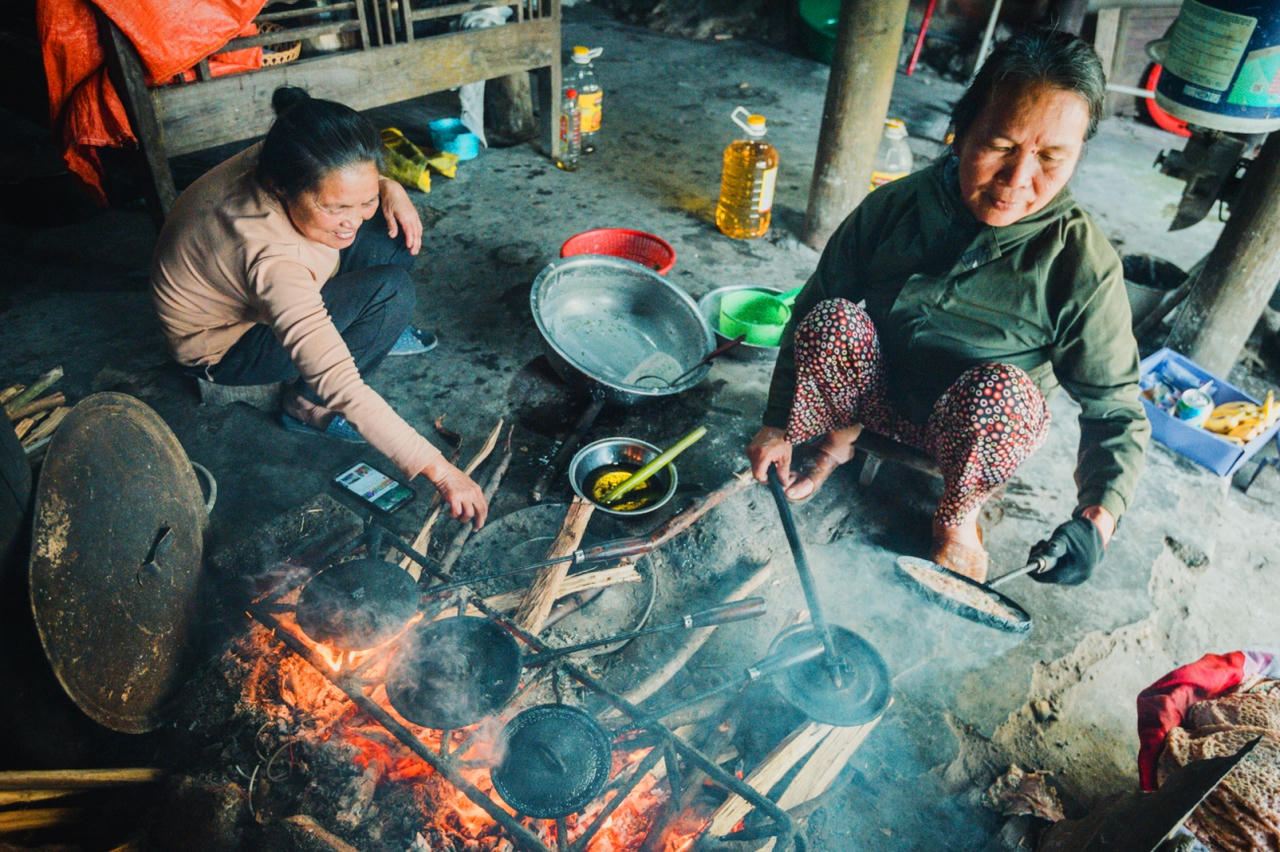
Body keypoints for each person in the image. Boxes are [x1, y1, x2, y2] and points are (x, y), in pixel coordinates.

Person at [746, 30, 1148, 583]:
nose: (1018, 179)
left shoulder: (1083, 265)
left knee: (1002, 397)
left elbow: (1116, 410)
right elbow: (815, 303)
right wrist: (777, 423)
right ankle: (838, 440)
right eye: (1002, 146)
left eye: (1051, 157)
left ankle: (959, 516)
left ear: (1076, 157)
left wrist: (1097, 521)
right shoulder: (897, 205)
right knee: (831, 320)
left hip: (967, 437)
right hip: (874, 399)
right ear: (960, 133)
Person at [150, 87, 487, 528]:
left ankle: (369, 328)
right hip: (224, 347)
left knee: (393, 232)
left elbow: (351, 182)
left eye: (362, 200)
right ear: (281, 187)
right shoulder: (272, 260)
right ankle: (307, 408)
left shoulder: (292, 153)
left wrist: (388, 191)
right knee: (391, 293)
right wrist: (440, 471)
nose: (354, 217)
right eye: (336, 208)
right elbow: (342, 384)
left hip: (261, 284)